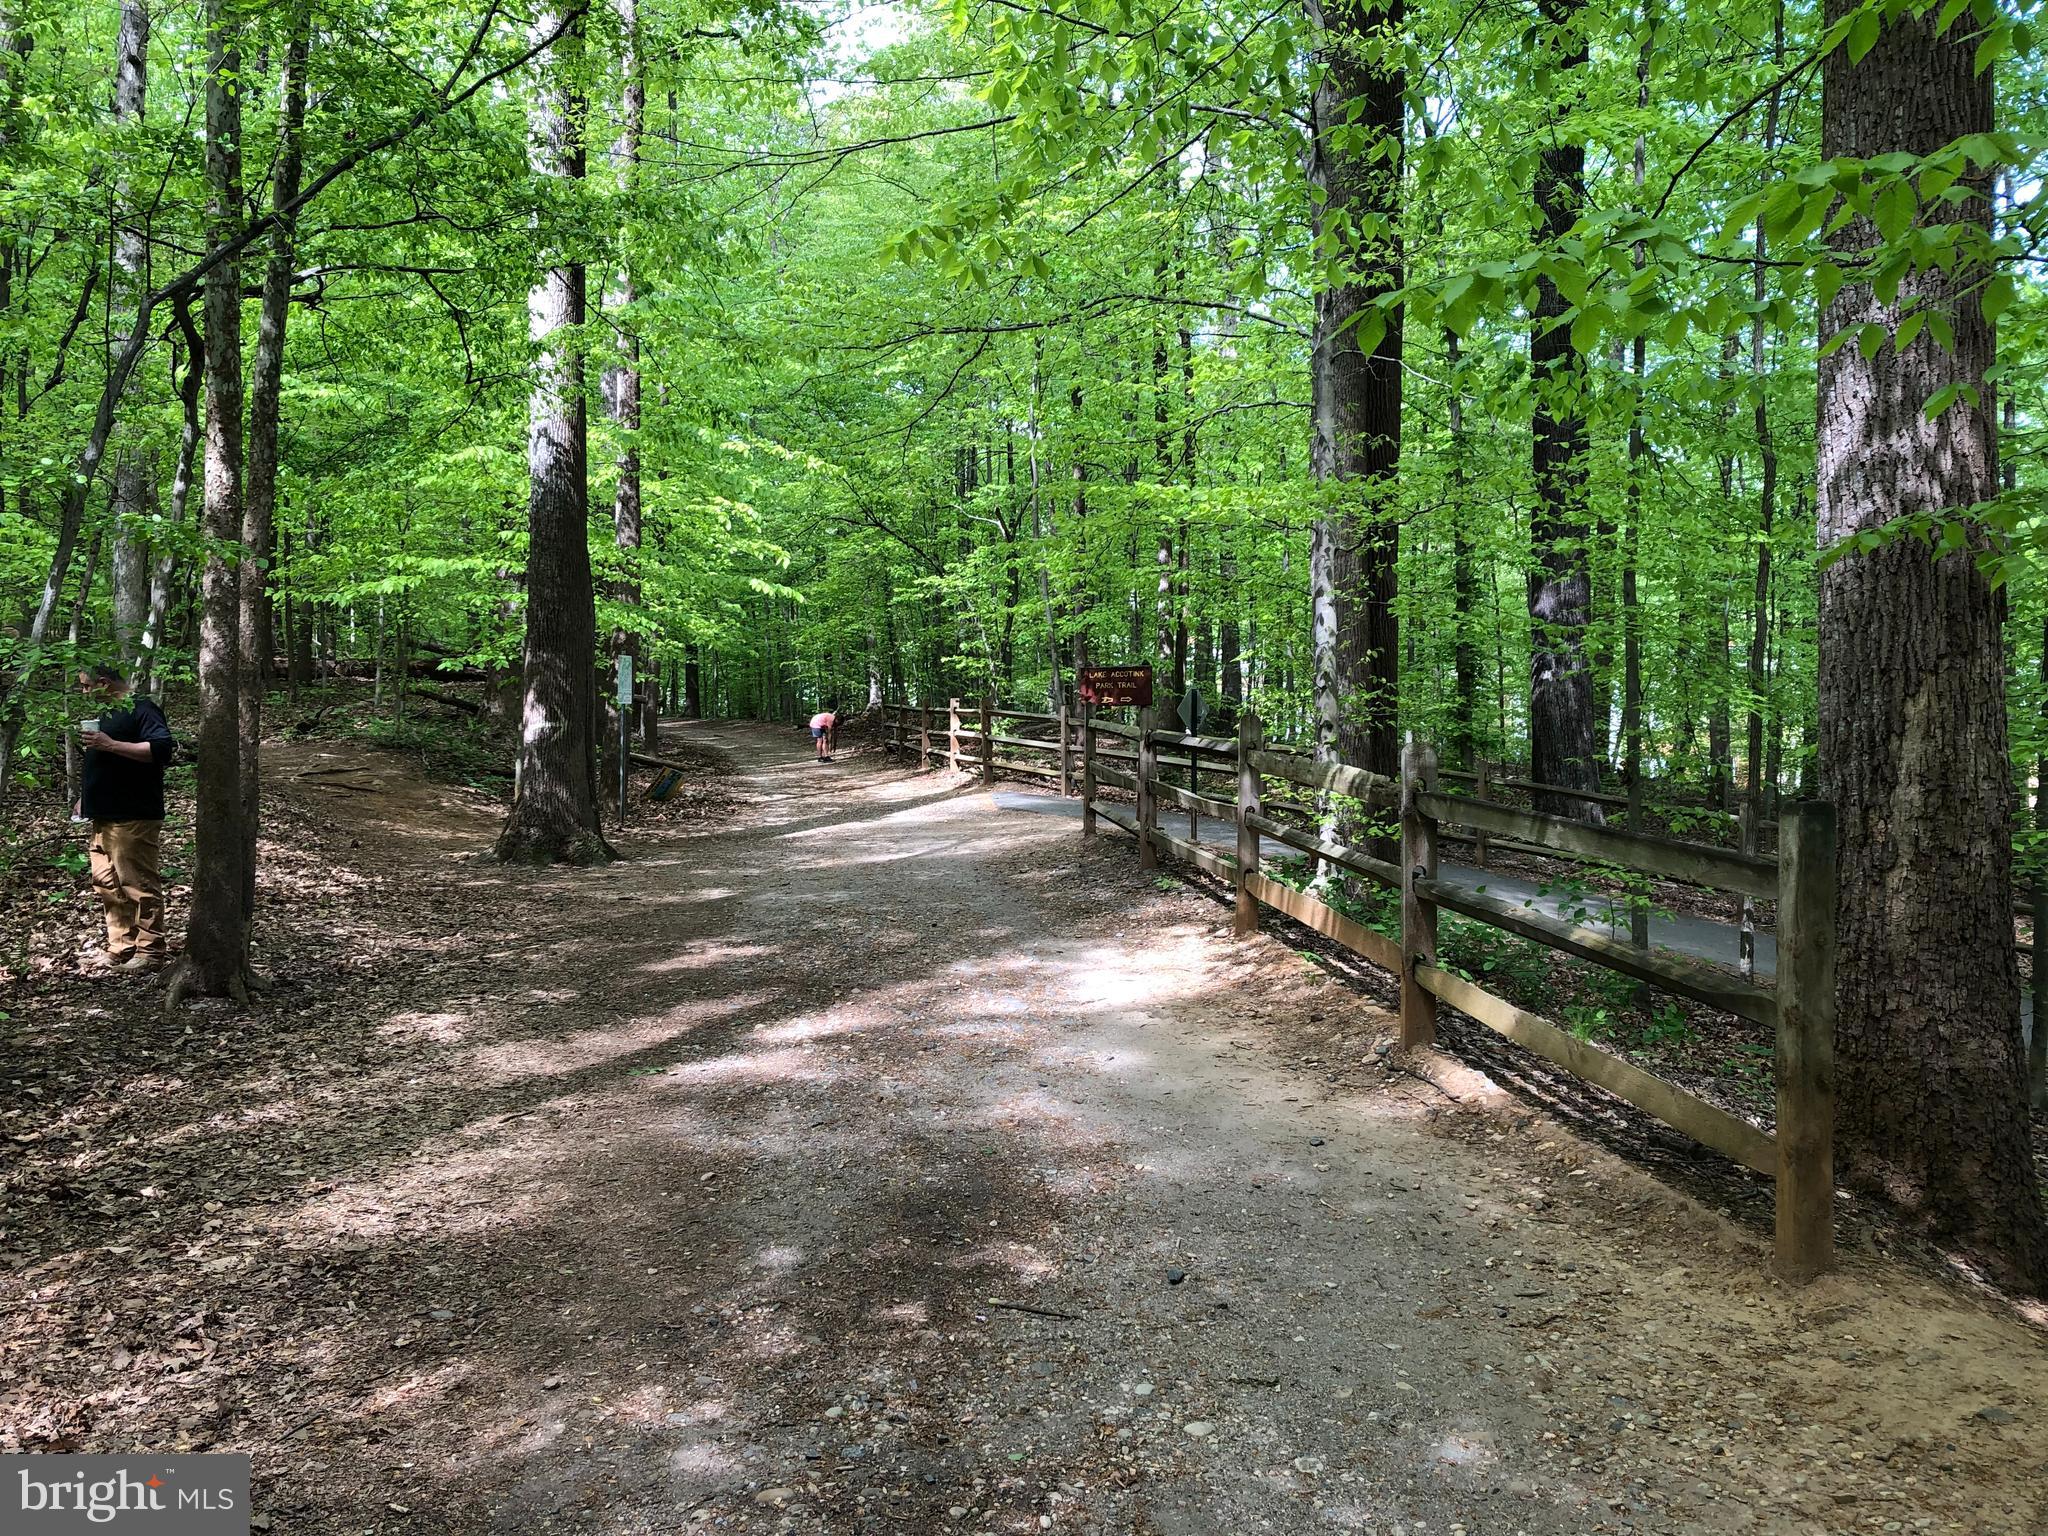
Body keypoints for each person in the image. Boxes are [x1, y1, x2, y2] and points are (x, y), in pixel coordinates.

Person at [74, 664, 174, 972]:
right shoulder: (107, 714)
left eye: (87, 686)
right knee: (106, 883)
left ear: (104, 682)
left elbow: (161, 749)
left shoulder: (142, 708)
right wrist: (85, 797)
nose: (84, 692)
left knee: (138, 884)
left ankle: (150, 951)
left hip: (133, 814)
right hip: (102, 815)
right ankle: (121, 946)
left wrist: (111, 744)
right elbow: (102, 762)